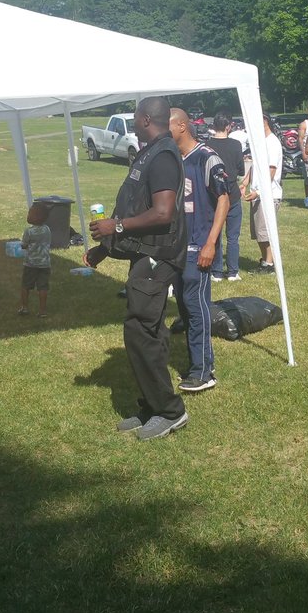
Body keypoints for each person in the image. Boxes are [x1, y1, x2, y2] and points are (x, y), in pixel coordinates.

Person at [85, 96, 189, 441]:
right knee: (151, 330)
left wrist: (116, 227)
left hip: (159, 258)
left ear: (145, 119)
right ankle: (152, 406)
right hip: (146, 253)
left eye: (134, 116)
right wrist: (107, 246)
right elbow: (138, 205)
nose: (133, 120)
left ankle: (171, 411)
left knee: (139, 331)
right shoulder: (150, 151)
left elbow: (162, 213)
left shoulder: (162, 156)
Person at [169, 108, 229, 391]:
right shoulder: (172, 160)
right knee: (184, 307)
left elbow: (224, 200)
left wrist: (211, 243)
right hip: (176, 249)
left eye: (166, 123)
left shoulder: (207, 157)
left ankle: (204, 371)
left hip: (199, 247)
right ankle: (198, 361)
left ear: (182, 126)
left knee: (196, 306)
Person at [243, 113, 283, 273]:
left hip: (269, 195)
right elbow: (255, 165)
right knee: (259, 233)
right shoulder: (260, 142)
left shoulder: (272, 143)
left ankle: (270, 264)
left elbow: (271, 171)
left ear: (264, 122)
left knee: (266, 232)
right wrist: (246, 181)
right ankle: (265, 261)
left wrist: (259, 192)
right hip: (258, 194)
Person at [208, 110, 245, 282]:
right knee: (233, 236)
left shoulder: (207, 145)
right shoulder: (236, 145)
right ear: (229, 126)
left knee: (215, 234)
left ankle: (216, 271)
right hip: (232, 193)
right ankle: (232, 271)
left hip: (214, 195)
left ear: (214, 126)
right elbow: (240, 169)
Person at [18, 202, 52, 316]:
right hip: (45, 264)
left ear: (36, 217)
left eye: (30, 213)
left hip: (30, 264)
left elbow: (24, 245)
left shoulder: (29, 231)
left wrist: (23, 245)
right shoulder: (47, 229)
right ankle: (42, 311)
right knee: (43, 287)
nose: (28, 215)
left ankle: (24, 307)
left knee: (26, 286)